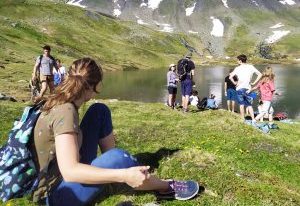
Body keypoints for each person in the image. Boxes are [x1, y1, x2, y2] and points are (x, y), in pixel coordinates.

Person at [30, 58, 199, 206]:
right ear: (94, 86)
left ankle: (111, 169)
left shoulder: (60, 100)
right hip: (55, 196)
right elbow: (70, 172)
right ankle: (165, 187)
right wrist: (123, 175)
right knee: (119, 157)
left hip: (56, 175)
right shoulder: (65, 111)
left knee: (99, 111)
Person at [229, 54, 262, 120]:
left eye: (238, 60)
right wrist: (254, 83)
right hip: (248, 88)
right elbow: (260, 74)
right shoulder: (251, 67)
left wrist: (235, 83)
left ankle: (242, 119)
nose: (237, 61)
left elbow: (230, 77)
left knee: (241, 104)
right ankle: (253, 119)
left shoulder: (237, 68)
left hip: (239, 88)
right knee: (249, 105)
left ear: (240, 61)